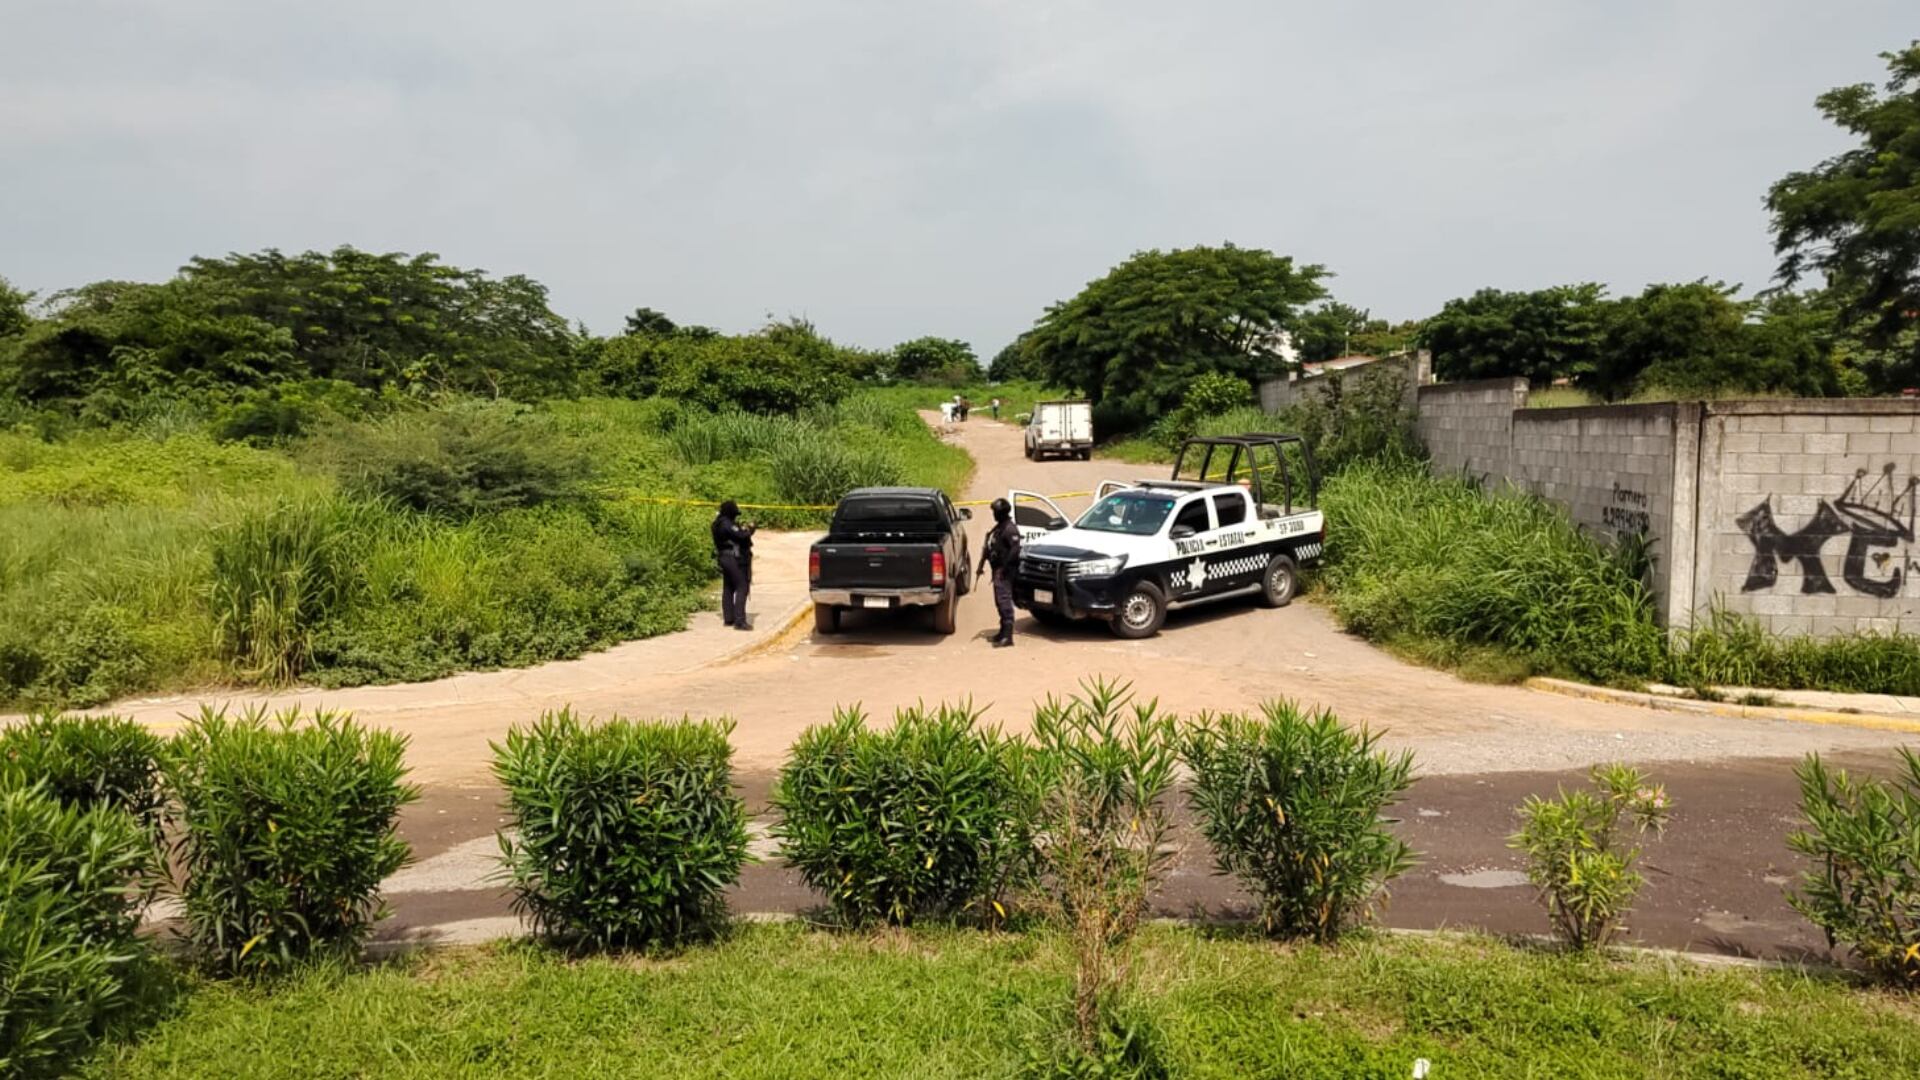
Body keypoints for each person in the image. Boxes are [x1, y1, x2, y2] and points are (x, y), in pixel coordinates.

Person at [978, 497, 1021, 647]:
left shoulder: (1009, 529)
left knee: (1004, 600)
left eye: (995, 512)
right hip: (998, 569)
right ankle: (1003, 631)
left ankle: (1008, 637)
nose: (993, 514)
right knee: (999, 601)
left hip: (1005, 571)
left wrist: (1004, 568)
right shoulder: (999, 528)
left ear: (1001, 513)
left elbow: (1015, 550)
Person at [712, 500, 757, 631]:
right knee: (741, 586)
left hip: (724, 557)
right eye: (735, 514)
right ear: (730, 512)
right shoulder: (726, 524)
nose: (735, 517)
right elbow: (741, 535)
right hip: (733, 558)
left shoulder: (717, 523)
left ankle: (729, 618)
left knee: (728, 586)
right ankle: (740, 621)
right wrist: (750, 529)